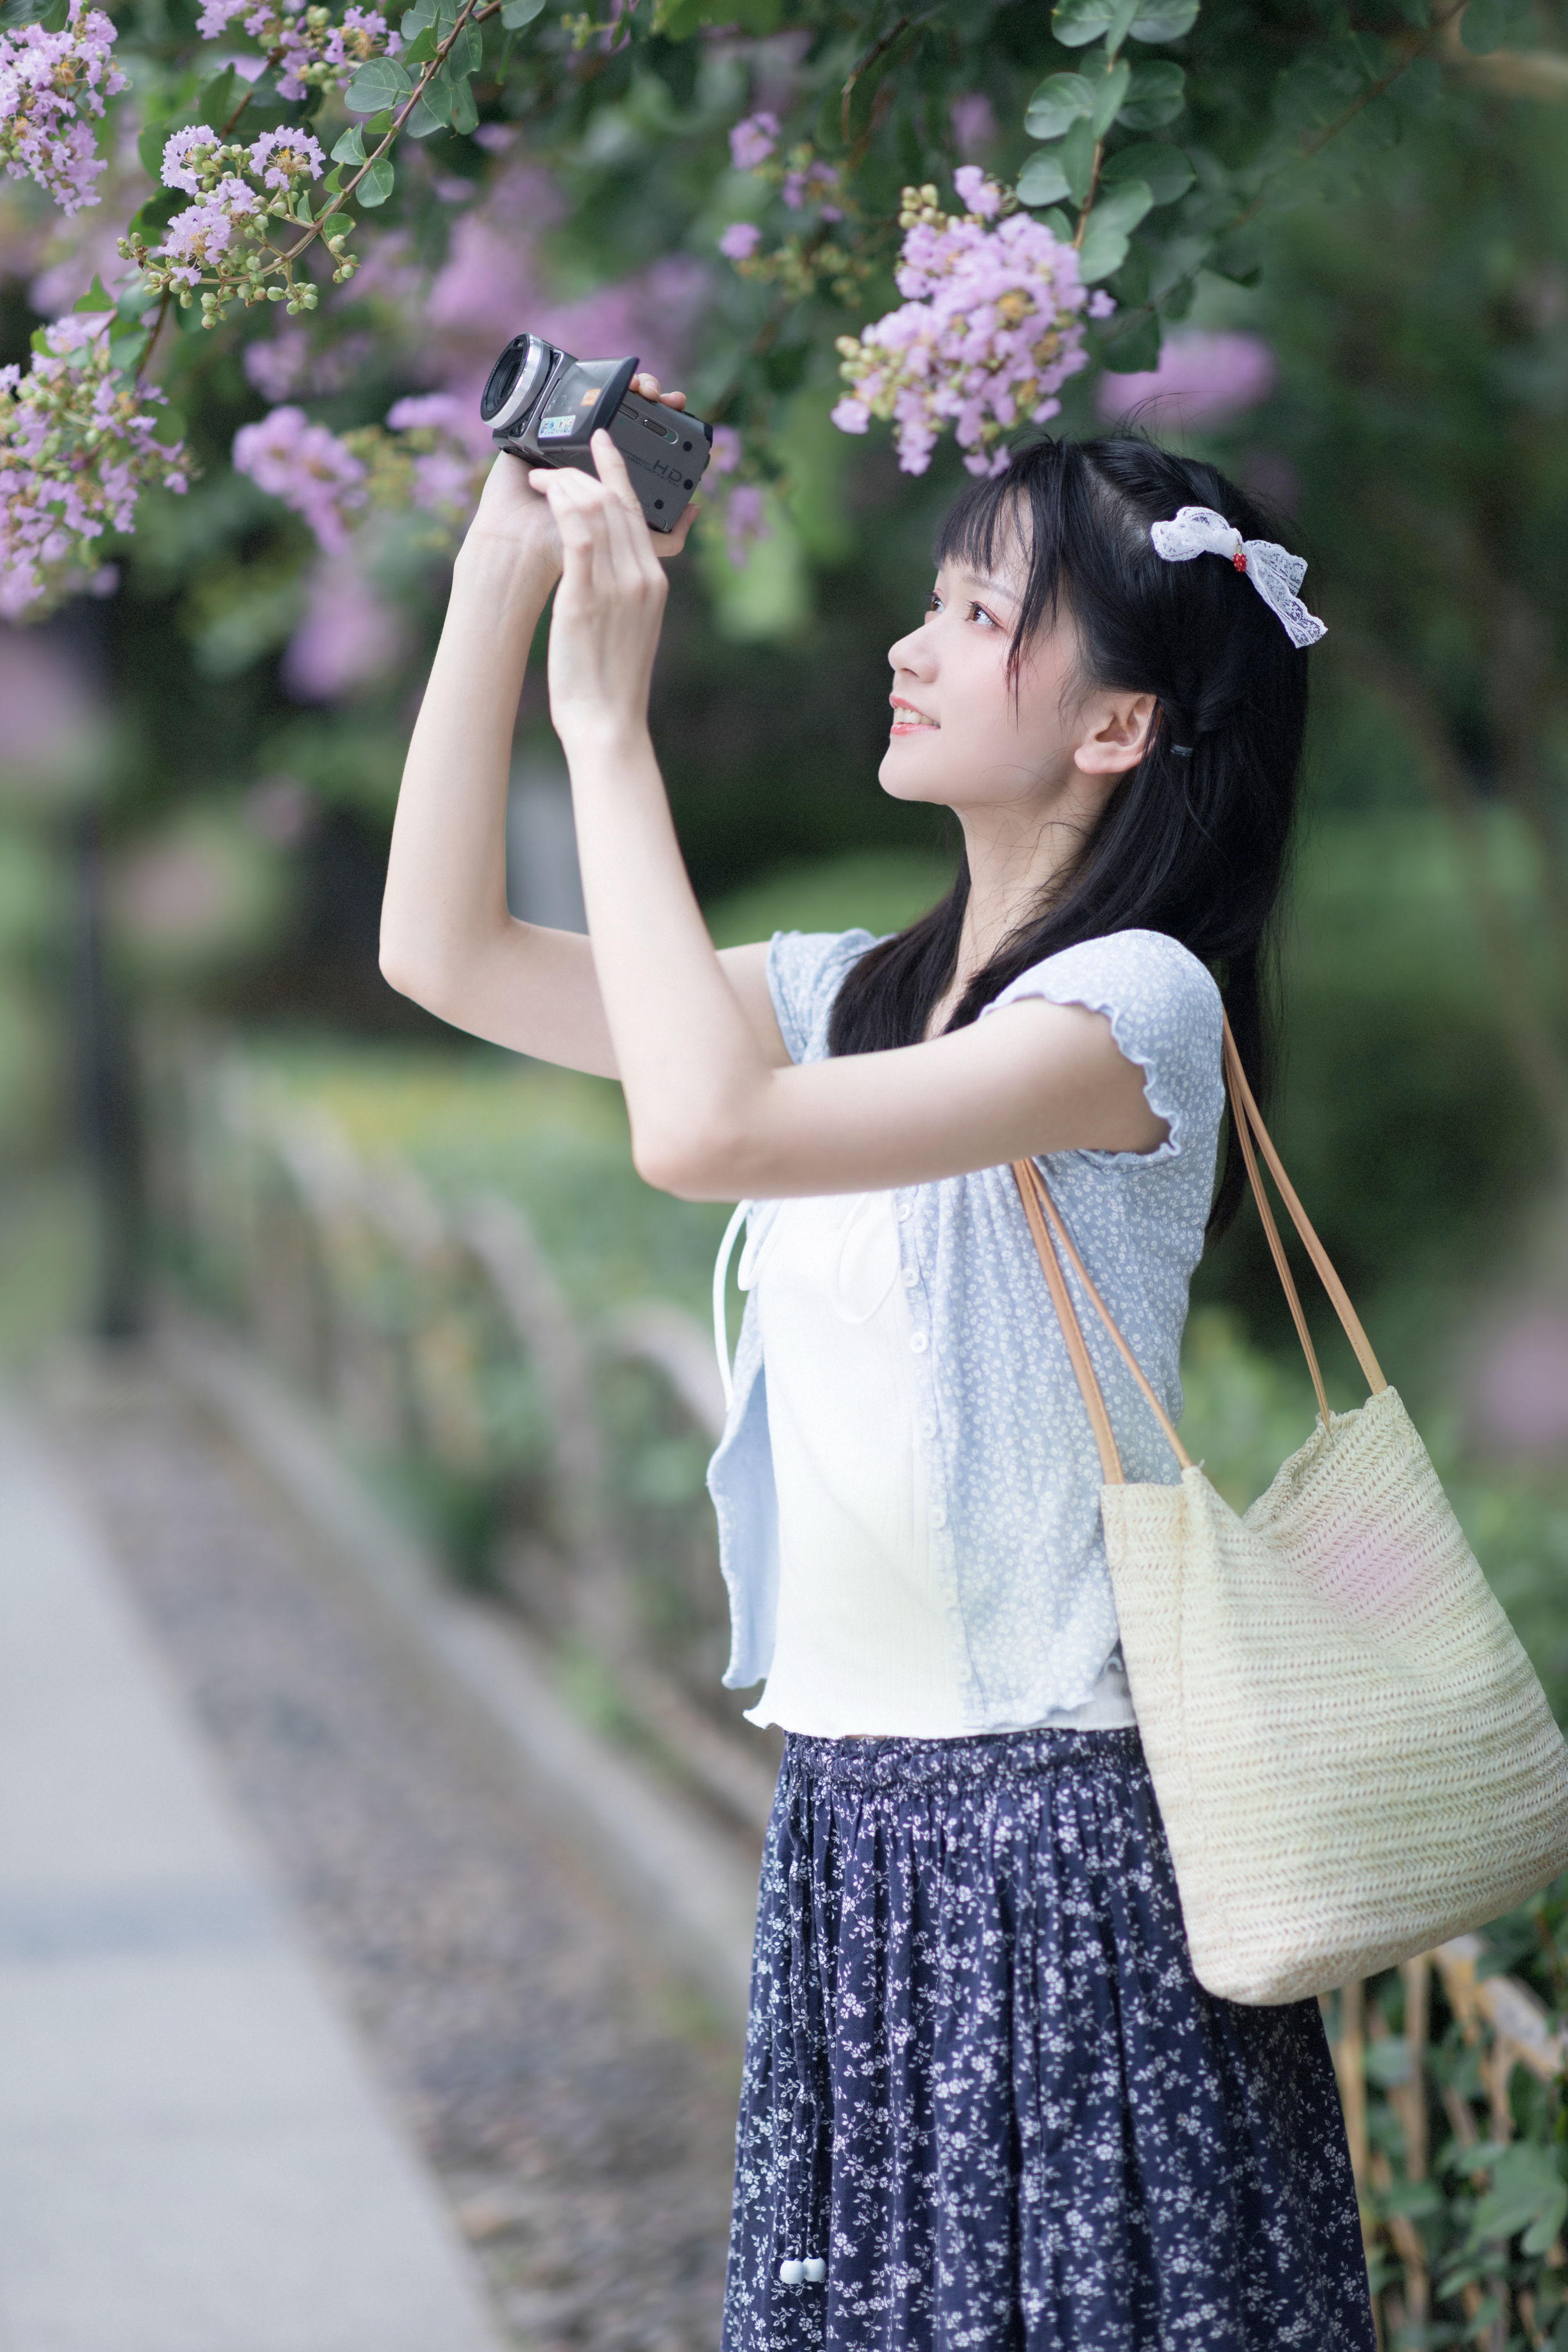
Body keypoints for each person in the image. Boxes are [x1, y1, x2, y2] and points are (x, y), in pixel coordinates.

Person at [380, 382, 1375, 2352]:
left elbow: (706, 1134)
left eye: (977, 613)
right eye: (925, 600)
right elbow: (444, 953)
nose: (910, 645)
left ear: (1115, 726)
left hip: (1061, 1838)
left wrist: (607, 720)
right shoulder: (849, 995)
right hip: (860, 1815)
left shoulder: (1133, 1008)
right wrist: (501, 581)